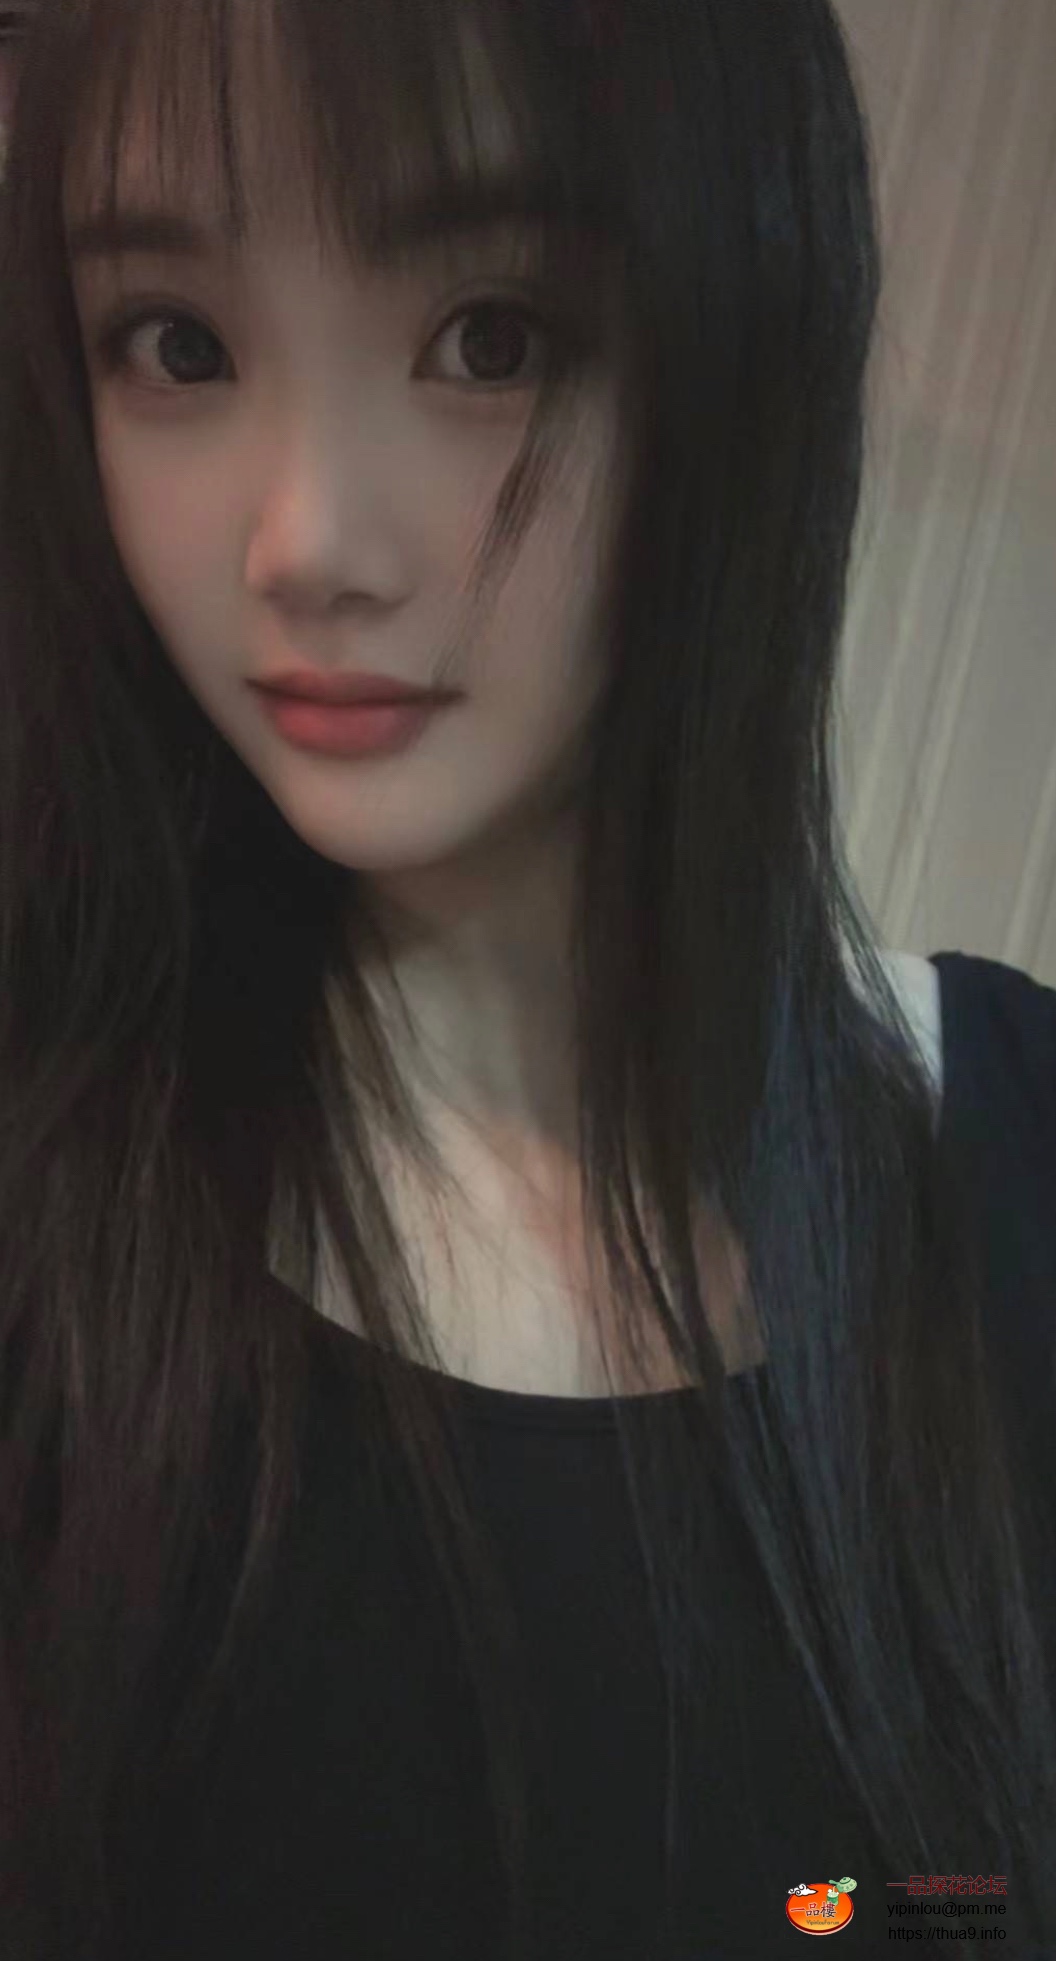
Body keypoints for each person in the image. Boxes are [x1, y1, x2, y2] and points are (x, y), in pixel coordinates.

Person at [0, 2, 1053, 1956]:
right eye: (179, 344)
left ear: (747, 347)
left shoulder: (1014, 1141)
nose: (309, 543)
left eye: (491, 337)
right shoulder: (55, 1196)